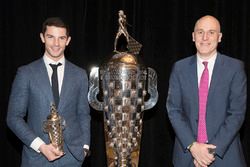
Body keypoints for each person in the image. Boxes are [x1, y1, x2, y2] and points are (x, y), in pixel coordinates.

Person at [6, 17, 91, 167]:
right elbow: (13, 117)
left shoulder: (80, 75)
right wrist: (40, 146)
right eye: (51, 37)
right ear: (42, 37)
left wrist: (85, 147)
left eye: (61, 38)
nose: (56, 44)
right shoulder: (26, 73)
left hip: (72, 158)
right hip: (37, 158)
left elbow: (83, 114)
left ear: (68, 40)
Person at [166, 15, 247, 167]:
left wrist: (207, 153)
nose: (204, 37)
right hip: (187, 157)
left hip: (226, 157)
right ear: (193, 36)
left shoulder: (235, 68)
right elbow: (174, 111)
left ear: (220, 37)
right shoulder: (179, 68)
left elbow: (236, 114)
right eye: (200, 32)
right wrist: (193, 146)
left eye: (211, 32)